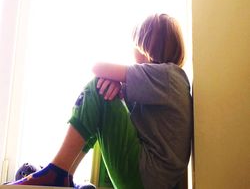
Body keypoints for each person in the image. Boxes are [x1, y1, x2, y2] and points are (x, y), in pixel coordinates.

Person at [6, 14, 193, 189]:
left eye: (137, 44)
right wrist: (117, 87)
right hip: (152, 178)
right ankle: (65, 175)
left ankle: (57, 171)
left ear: (147, 46)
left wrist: (114, 82)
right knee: (104, 96)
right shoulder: (167, 82)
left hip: (146, 176)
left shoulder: (167, 76)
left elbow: (97, 68)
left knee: (98, 88)